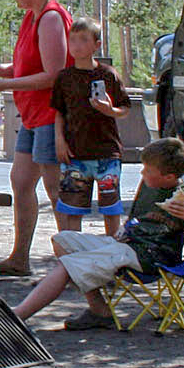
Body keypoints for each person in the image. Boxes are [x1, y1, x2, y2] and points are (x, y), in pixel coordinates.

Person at [11, 138, 184, 330]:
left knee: (68, 266)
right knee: (63, 241)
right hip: (128, 245)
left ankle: (19, 315)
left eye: (148, 170)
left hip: (150, 258)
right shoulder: (148, 185)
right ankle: (100, 310)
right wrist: (123, 231)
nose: (142, 173)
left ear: (168, 177)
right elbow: (138, 218)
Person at [0, 0, 72, 276]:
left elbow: (54, 74)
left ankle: (72, 261)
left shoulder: (51, 18)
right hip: (31, 116)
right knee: (21, 181)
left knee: (56, 189)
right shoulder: (31, 17)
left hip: (51, 116)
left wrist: (2, 85)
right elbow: (27, 66)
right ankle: (20, 257)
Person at [50, 18, 131, 236]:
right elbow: (59, 112)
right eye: (73, 40)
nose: (77, 45)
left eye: (84, 40)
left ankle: (112, 248)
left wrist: (110, 110)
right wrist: (59, 140)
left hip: (107, 152)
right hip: (75, 153)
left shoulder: (108, 74)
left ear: (96, 45)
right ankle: (74, 251)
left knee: (110, 208)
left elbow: (125, 108)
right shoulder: (64, 77)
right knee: (72, 209)